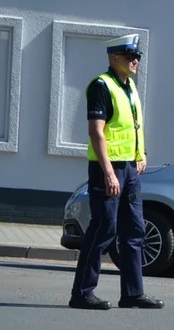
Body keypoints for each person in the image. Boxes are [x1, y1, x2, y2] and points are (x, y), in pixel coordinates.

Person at [69, 34, 164, 310]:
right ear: (114, 58)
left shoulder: (130, 87)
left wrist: (140, 154)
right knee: (103, 229)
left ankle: (133, 293)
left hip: (130, 168)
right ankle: (82, 293)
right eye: (130, 56)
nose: (136, 61)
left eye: (138, 57)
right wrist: (109, 173)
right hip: (107, 168)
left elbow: (133, 126)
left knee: (134, 231)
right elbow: (96, 134)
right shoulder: (102, 86)